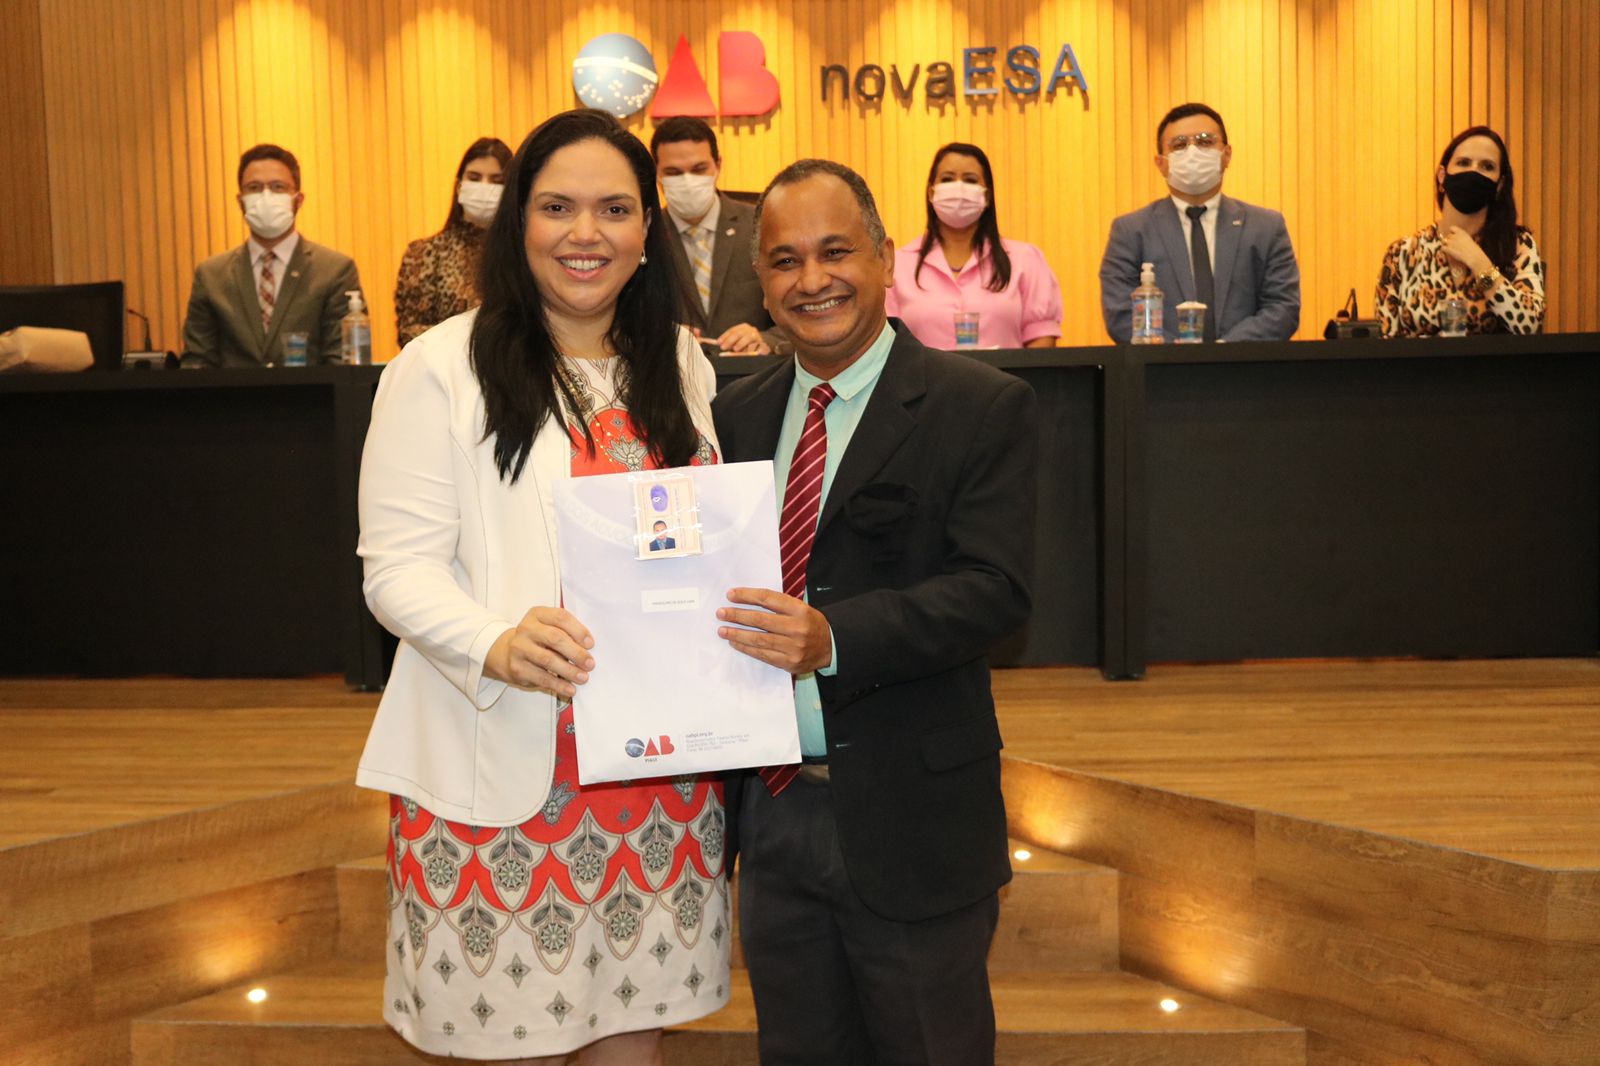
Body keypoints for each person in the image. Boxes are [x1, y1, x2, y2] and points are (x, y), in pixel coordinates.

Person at [356, 108, 727, 1064]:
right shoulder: (440, 367)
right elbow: (395, 568)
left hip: (659, 782)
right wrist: (495, 641)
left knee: (632, 1036)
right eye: (557, 206)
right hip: (500, 773)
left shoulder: (680, 362)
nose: (584, 233)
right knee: (510, 1044)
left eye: (614, 209)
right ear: (519, 221)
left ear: (648, 229)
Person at [712, 159, 1037, 1065]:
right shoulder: (734, 418)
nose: (811, 280)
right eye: (784, 261)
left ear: (885, 257)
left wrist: (833, 638)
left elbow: (996, 591)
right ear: (762, 283)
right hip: (773, 814)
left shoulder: (980, 406)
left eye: (835, 251)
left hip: (914, 819)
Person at [1098, 102, 1300, 343]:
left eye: (1205, 141)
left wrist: (1226, 351)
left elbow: (1283, 308)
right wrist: (1177, 355)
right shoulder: (1131, 231)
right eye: (1179, 145)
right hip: (1161, 365)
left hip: (1245, 363)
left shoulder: (1266, 227)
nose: (1192, 152)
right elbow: (1120, 314)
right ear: (1161, 163)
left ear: (1227, 155)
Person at [182, 143, 362, 366]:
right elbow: (198, 362)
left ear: (298, 199)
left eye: (278, 187)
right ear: (240, 201)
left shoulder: (335, 270)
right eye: (254, 187)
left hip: (311, 390)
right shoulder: (211, 275)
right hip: (233, 390)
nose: (265, 196)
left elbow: (341, 362)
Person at [885, 142, 1063, 349]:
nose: (958, 188)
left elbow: (1042, 337)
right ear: (931, 192)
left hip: (1004, 372)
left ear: (986, 195)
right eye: (947, 179)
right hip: (922, 372)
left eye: (970, 180)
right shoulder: (898, 265)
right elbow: (886, 342)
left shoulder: (1025, 260)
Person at [1375, 126, 1545, 337]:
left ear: (1499, 185)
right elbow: (1386, 342)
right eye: (1463, 163)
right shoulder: (1402, 253)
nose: (1473, 172)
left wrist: (1480, 265)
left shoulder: (1517, 245)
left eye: (1487, 166)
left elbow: (1529, 324)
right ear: (1442, 176)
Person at [649, 116, 786, 355]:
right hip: (672, 373)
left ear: (718, 165)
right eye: (673, 172)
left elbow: (801, 308)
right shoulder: (644, 236)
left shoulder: (761, 224)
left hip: (753, 372)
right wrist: (657, 336)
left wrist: (765, 339)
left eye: (699, 169)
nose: (688, 181)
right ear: (657, 174)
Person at [394, 136, 513, 346]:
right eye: (474, 178)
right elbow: (409, 331)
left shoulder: (523, 254)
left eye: (497, 181)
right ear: (459, 186)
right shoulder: (425, 253)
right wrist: (472, 340)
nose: (484, 187)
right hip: (443, 364)